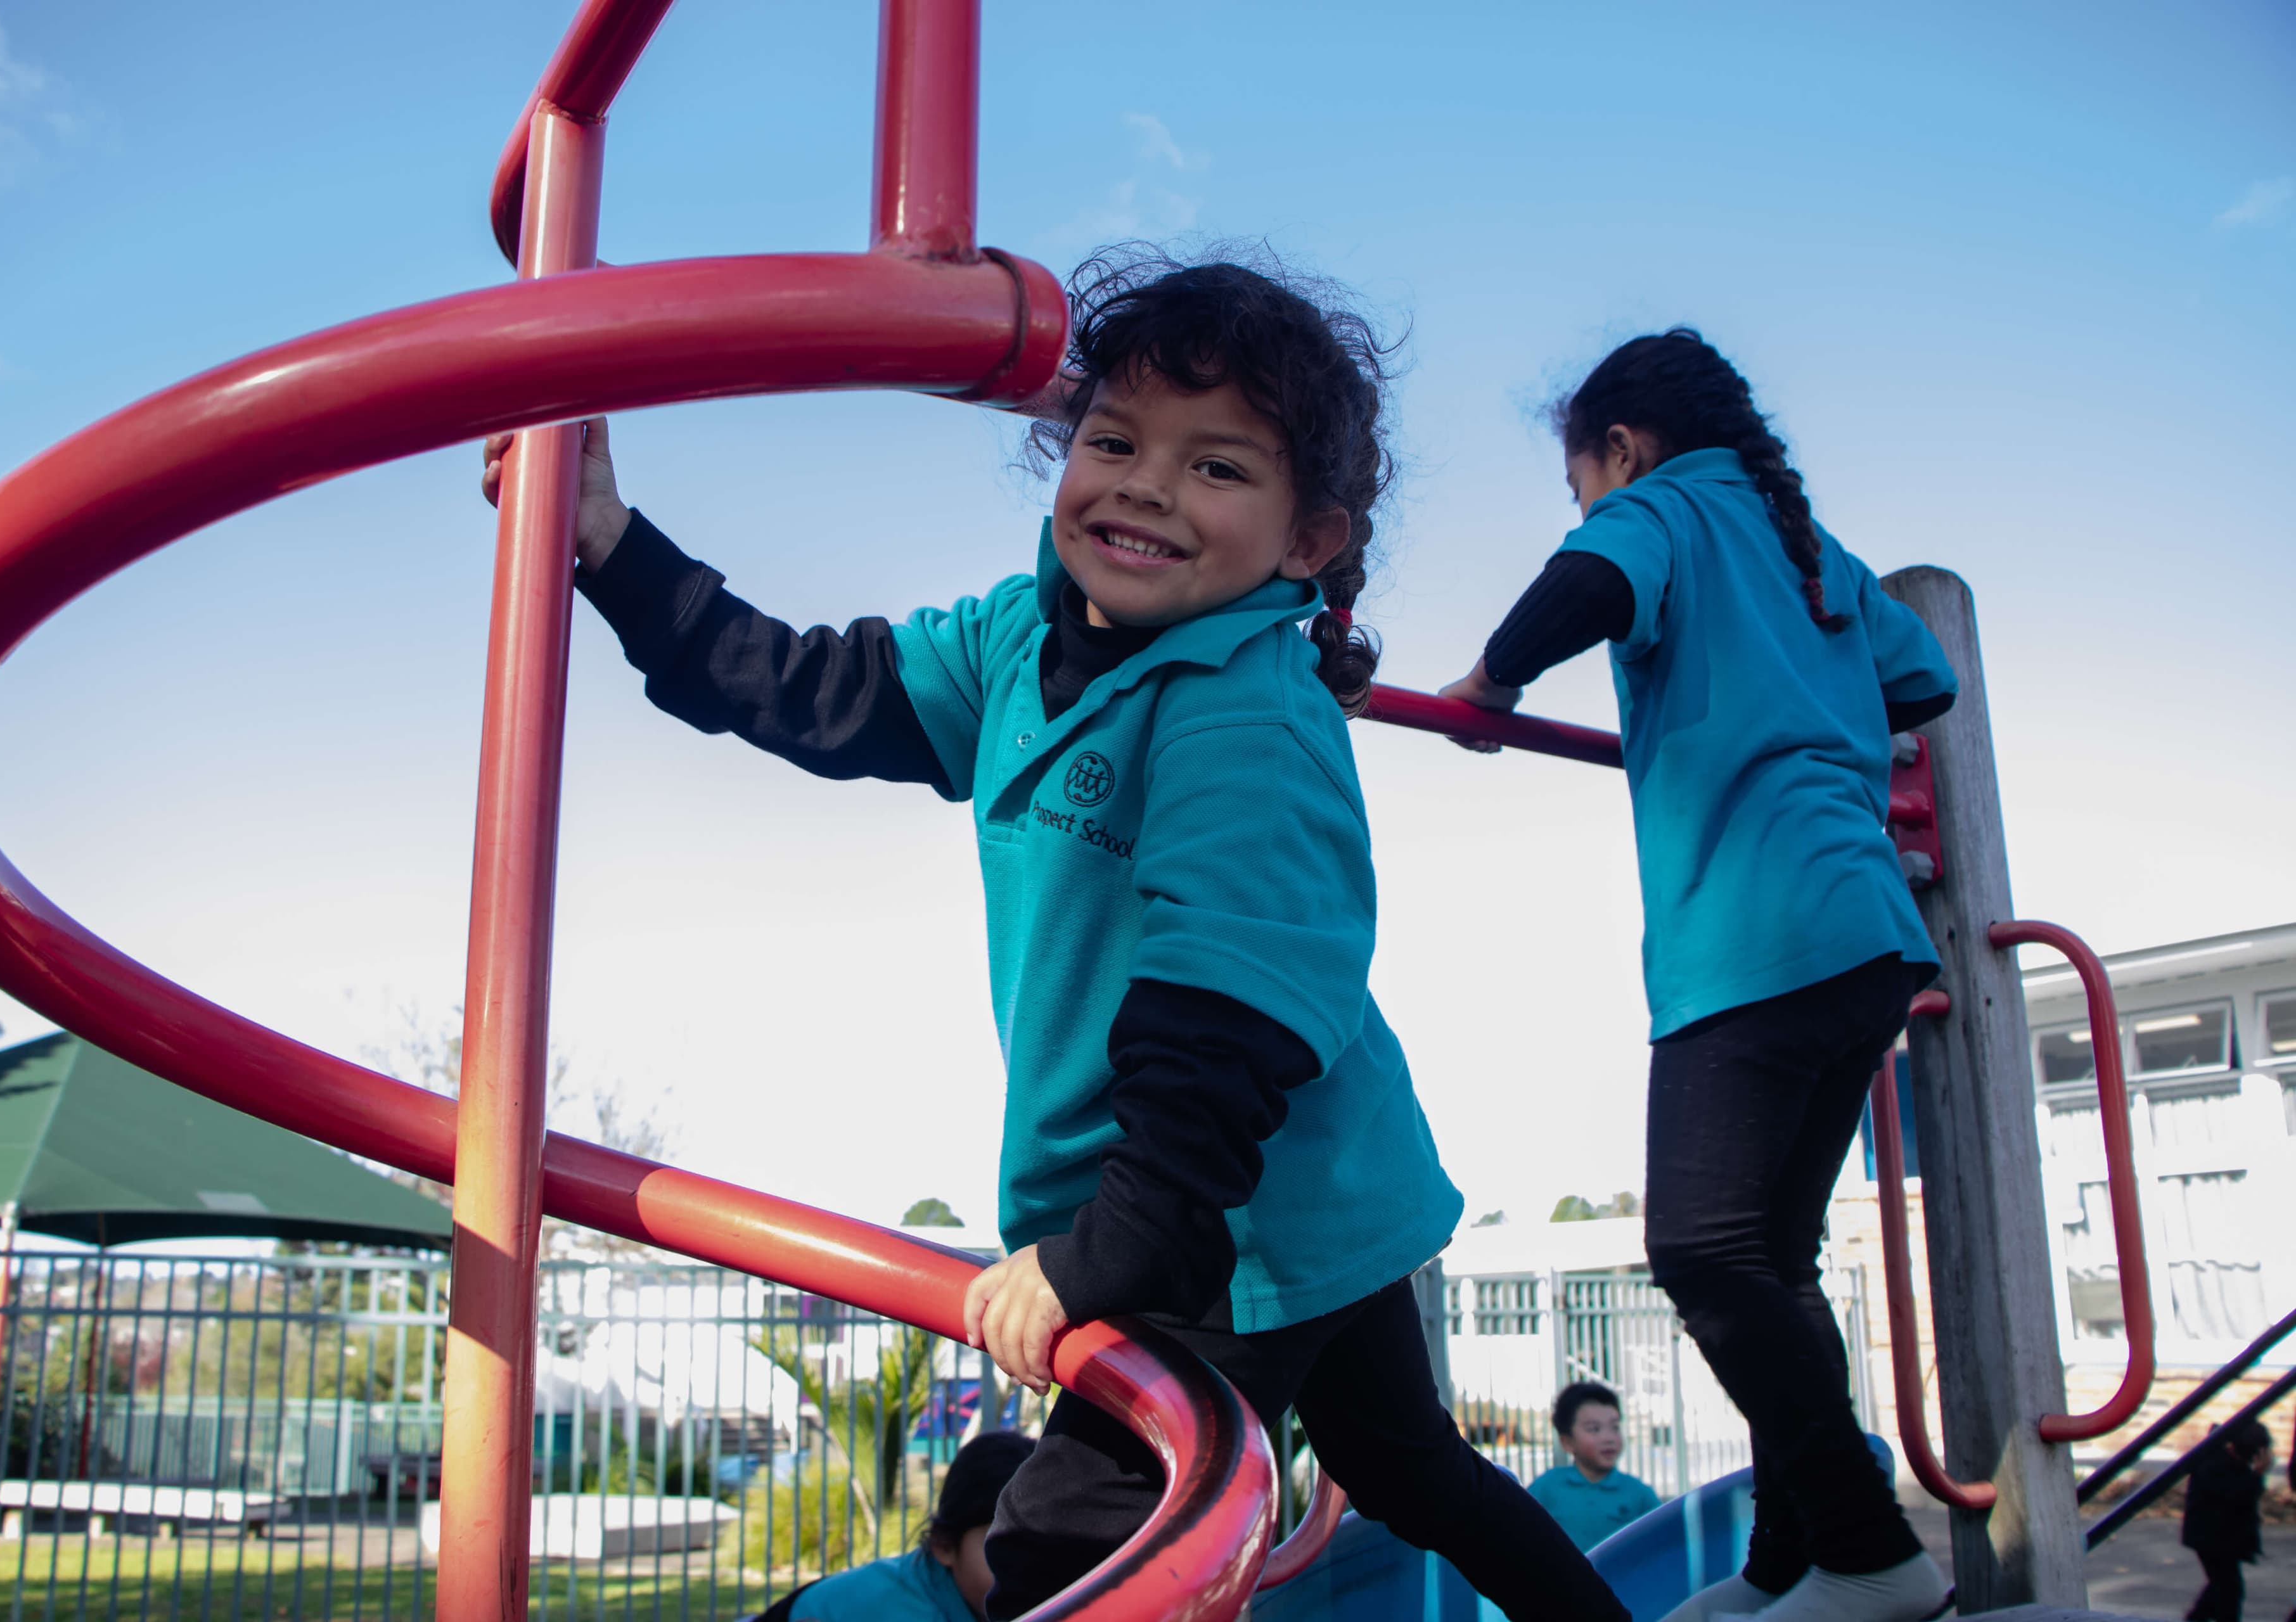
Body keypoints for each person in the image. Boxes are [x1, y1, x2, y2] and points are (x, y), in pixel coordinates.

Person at [483, 246, 1627, 1622]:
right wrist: (612, 543)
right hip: (1296, 1183)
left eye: (1217, 467)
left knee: (1063, 1560)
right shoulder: (1023, 636)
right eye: (1116, 438)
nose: (1145, 484)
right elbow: (814, 689)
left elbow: (1225, 1018)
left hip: (1213, 1198)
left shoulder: (1243, 712)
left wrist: (1102, 1255)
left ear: (1307, 539)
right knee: (1409, 1466)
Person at [1443, 329, 1959, 1622]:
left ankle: (1869, 1548)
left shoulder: (1666, 508)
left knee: (1703, 1248)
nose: (1593, 507)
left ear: (1623, 450)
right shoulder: (1808, 548)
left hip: (1756, 930)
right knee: (1774, 1258)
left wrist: (1489, 686)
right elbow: (1926, 675)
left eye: (1584, 484)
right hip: (1872, 935)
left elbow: (1582, 587)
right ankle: (1796, 1562)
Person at [756, 1431, 1036, 1622]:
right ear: (944, 1546)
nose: (1027, 1570)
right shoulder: (900, 1610)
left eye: (1044, 1549)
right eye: (1004, 1549)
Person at [1529, 1380, 1662, 1550]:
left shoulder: (1639, 1494)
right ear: (1567, 1442)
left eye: (1615, 1427)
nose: (1609, 1438)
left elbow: (1661, 1545)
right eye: (1594, 1429)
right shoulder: (1546, 1488)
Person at [2182, 1418, 2271, 1622]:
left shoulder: (2225, 1457)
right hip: (2210, 1536)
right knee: (2229, 1590)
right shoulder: (2214, 1463)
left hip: (2222, 1537)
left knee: (2221, 1586)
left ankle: (2196, 1618)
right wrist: (2257, 1476)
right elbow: (2235, 1496)